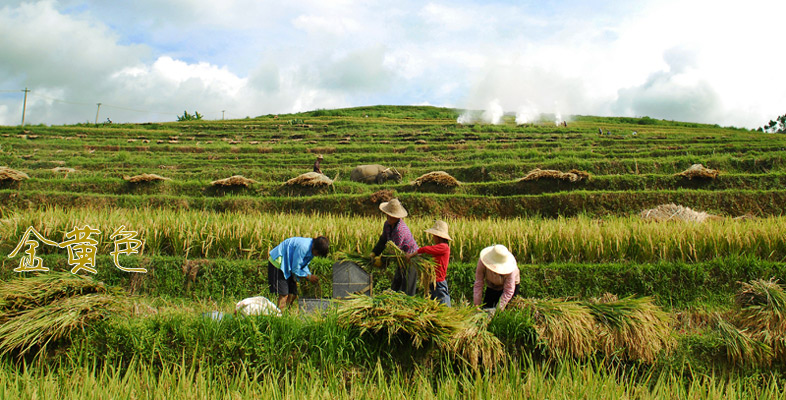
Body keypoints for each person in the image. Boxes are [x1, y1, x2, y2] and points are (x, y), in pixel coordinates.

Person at [370, 198, 419, 295]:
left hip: (411, 259)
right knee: (396, 286)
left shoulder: (399, 229)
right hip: (401, 259)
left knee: (407, 290)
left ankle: (406, 308)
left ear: (397, 217)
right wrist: (374, 252)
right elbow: (383, 240)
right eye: (387, 214)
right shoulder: (387, 225)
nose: (388, 217)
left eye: (391, 215)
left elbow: (393, 250)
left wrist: (382, 260)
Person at [268, 236, 329, 311]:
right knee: (284, 294)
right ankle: (279, 317)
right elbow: (295, 268)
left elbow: (303, 265)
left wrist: (309, 275)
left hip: (289, 264)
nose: (317, 255)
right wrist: (308, 277)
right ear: (315, 248)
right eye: (318, 253)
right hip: (279, 263)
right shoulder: (303, 247)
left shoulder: (312, 250)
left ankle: (286, 314)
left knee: (293, 294)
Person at [406, 220, 452, 306]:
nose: (433, 238)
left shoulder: (444, 247)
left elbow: (425, 249)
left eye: (434, 236)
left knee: (444, 305)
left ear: (439, 237)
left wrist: (412, 255)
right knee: (434, 305)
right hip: (433, 281)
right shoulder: (439, 249)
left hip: (438, 282)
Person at [473, 244, 520, 310]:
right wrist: (477, 304)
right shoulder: (483, 262)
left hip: (509, 286)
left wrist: (499, 308)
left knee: (506, 311)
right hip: (492, 284)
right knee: (487, 307)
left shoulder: (511, 269)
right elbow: (479, 283)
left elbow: (508, 290)